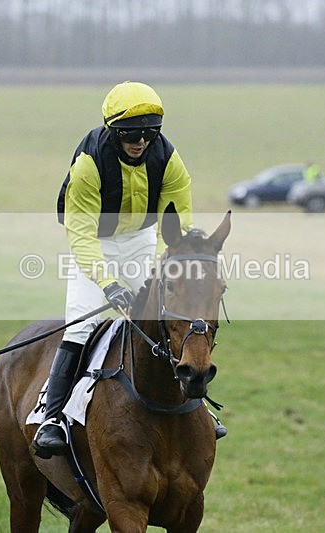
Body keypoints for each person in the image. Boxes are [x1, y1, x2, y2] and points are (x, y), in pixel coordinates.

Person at [34, 81, 194, 458]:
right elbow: (81, 234)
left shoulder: (168, 157)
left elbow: (179, 221)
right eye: (130, 134)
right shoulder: (89, 164)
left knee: (169, 312)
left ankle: (195, 403)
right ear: (113, 131)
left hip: (141, 240)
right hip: (96, 243)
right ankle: (52, 416)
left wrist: (171, 264)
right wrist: (108, 284)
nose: (140, 142)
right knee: (81, 323)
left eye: (149, 133)